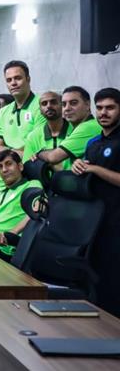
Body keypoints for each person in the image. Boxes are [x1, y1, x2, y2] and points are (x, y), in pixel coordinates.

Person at [72, 87, 120, 317]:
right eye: (99, 108)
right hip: (93, 222)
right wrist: (78, 165)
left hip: (116, 221)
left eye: (110, 108)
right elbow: (87, 169)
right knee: (96, 280)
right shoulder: (93, 142)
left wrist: (96, 169)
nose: (103, 113)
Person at [35, 86, 102, 169]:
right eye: (64, 104)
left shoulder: (88, 127)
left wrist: (39, 154)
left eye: (73, 103)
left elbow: (53, 157)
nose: (67, 108)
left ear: (87, 105)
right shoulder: (83, 126)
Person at [0, 60, 45, 157]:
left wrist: (6, 151)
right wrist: (17, 153)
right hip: (8, 164)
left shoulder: (42, 106)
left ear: (28, 79)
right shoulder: (3, 112)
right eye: (9, 80)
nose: (13, 83)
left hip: (33, 163)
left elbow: (37, 144)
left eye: (18, 78)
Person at [23, 91, 70, 166]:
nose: (49, 106)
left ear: (62, 106)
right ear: (40, 111)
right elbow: (27, 166)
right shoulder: (32, 137)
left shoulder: (76, 130)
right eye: (44, 104)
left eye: (53, 102)